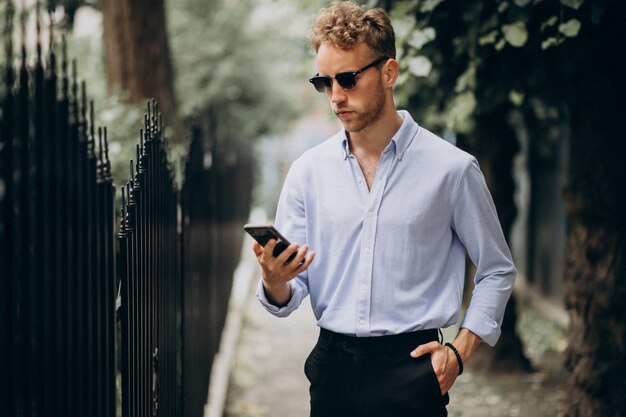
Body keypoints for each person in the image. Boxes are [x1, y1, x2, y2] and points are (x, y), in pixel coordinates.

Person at [251, 2, 516, 416]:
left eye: (349, 79)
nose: (336, 96)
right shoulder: (308, 172)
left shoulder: (452, 169)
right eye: (325, 82)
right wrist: (275, 279)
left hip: (412, 369)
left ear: (389, 72)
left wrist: (460, 351)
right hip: (332, 369)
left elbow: (497, 269)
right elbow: (290, 292)